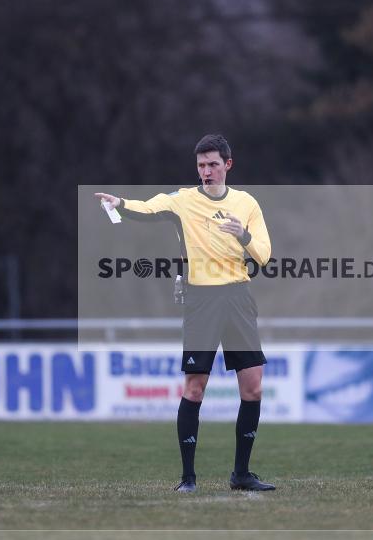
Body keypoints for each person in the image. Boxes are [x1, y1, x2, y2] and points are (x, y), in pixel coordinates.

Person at [95, 134, 275, 493]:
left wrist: (242, 235)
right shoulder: (183, 200)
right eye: (201, 165)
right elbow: (148, 209)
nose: (206, 171)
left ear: (228, 165)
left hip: (238, 298)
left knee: (253, 387)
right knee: (195, 388)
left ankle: (241, 474)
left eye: (213, 164)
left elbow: (264, 255)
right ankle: (188, 479)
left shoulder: (246, 203)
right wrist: (120, 204)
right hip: (201, 301)